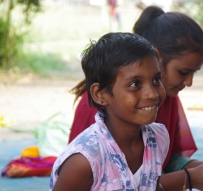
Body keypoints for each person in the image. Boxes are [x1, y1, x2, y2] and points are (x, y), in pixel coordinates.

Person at [68, 6, 203, 190]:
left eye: (156, 80)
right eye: (183, 72)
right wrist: (188, 179)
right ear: (157, 55)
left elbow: (166, 161)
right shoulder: (87, 151)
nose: (189, 82)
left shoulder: (160, 120)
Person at [50, 32, 169, 190]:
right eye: (135, 84)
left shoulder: (159, 137)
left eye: (156, 80)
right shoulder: (85, 160)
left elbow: (152, 186)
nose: (152, 93)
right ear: (100, 94)